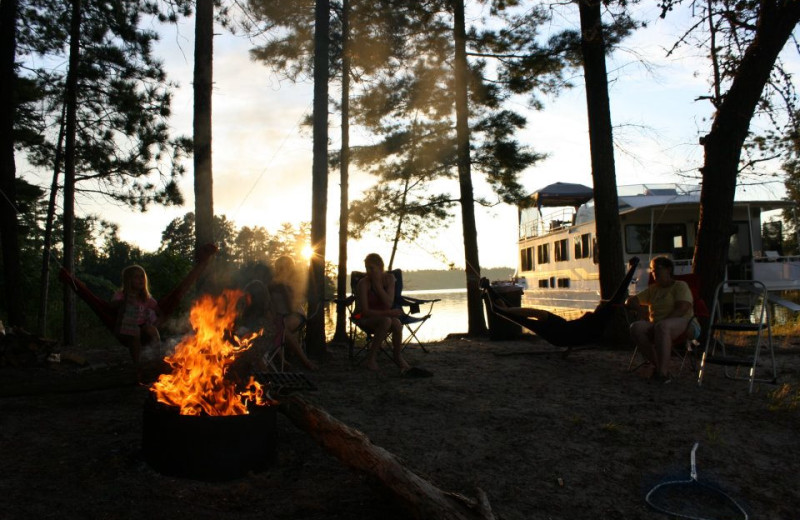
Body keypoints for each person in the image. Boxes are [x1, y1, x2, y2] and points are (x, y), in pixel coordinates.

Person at [481, 257, 640, 348]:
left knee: (533, 314)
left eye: (604, 302)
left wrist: (633, 267)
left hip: (562, 331)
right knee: (522, 317)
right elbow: (581, 337)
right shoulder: (599, 320)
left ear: (607, 307)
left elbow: (619, 293)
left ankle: (494, 296)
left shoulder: (603, 315)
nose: (601, 302)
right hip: (563, 334)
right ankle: (493, 294)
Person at [354, 253, 432, 377]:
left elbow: (389, 303)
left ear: (380, 267)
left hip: (382, 317)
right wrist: (388, 313)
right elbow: (364, 311)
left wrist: (378, 286)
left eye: (371, 268)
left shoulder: (390, 279)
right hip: (359, 317)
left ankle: (397, 356)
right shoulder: (363, 283)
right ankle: (371, 359)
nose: (368, 271)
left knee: (396, 322)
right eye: (366, 268)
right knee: (387, 320)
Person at [626, 256, 697, 382]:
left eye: (657, 268)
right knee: (636, 328)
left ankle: (662, 374)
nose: (654, 273)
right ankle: (659, 368)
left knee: (662, 327)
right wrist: (640, 309)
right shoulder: (653, 289)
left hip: (686, 324)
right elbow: (630, 301)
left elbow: (683, 308)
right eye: (652, 270)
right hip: (658, 326)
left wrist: (660, 322)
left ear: (669, 269)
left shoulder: (680, 286)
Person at [268, 256, 318, 370]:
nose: (282, 269)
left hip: (295, 314)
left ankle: (305, 362)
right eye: (280, 267)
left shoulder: (293, 282)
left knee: (282, 329)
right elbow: (269, 304)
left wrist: (284, 290)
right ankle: (282, 361)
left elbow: (291, 306)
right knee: (276, 328)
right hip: (279, 316)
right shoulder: (272, 282)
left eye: (285, 267)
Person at [111, 265, 161, 364]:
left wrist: (157, 324)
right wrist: (125, 301)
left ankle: (157, 358)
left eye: (142, 277)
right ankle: (137, 364)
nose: (140, 280)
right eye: (136, 277)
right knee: (135, 331)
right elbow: (112, 307)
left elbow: (159, 312)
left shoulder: (146, 298)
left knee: (151, 329)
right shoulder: (121, 295)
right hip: (123, 328)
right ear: (128, 280)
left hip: (142, 328)